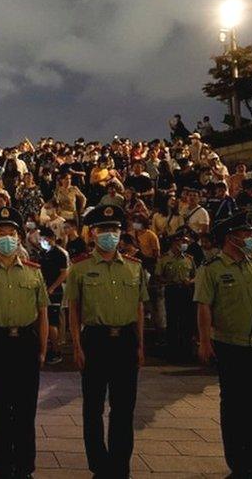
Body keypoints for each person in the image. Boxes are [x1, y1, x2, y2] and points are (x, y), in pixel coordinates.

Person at [195, 213, 252, 479]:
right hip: (229, 345)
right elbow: (204, 307)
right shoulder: (212, 269)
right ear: (230, 237)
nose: (250, 238)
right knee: (235, 407)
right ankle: (238, 463)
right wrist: (204, 342)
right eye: (245, 234)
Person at [66, 205, 147, 479]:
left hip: (125, 339)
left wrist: (140, 345)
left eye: (113, 229)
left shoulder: (134, 267)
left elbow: (138, 308)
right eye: (103, 229)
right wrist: (76, 346)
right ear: (92, 233)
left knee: (124, 409)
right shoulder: (80, 267)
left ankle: (119, 467)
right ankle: (99, 467)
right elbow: (74, 310)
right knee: (93, 408)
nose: (109, 235)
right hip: (95, 341)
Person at [0, 206, 48, 479]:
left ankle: (24, 468)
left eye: (11, 233)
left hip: (26, 343)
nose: (6, 238)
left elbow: (43, 314)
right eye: (1, 233)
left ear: (19, 237)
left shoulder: (33, 271)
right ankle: (1, 468)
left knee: (26, 412)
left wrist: (43, 349)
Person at [154, 231, 196, 361]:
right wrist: (168, 281)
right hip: (172, 290)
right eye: (182, 242)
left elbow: (196, 275)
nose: (184, 244)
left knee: (186, 321)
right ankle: (173, 351)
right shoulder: (164, 259)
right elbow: (158, 276)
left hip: (186, 291)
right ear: (174, 243)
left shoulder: (189, 259)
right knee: (172, 321)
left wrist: (190, 281)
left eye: (185, 242)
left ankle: (187, 351)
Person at [38, 227, 69, 365]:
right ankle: (48, 348)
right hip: (44, 290)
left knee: (52, 322)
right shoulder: (44, 252)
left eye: (43, 238)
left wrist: (52, 288)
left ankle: (56, 350)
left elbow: (64, 273)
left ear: (51, 238)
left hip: (54, 292)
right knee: (45, 321)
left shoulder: (59, 253)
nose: (41, 241)